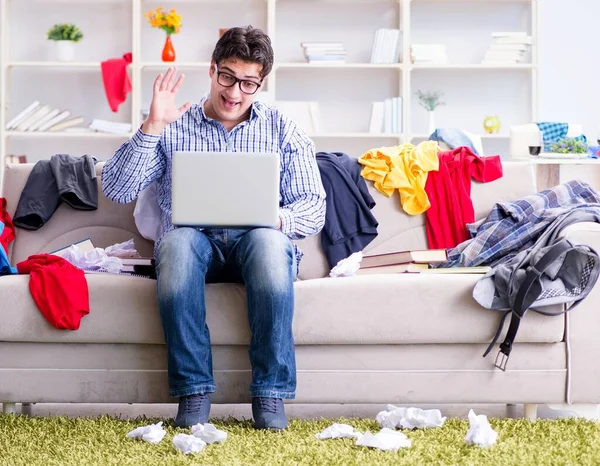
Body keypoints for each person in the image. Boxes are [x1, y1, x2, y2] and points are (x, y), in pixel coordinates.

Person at [101, 26, 326, 430]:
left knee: (272, 245)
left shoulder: (282, 129)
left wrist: (274, 218)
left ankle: (271, 395)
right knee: (176, 244)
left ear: (261, 83)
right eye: (227, 76)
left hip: (257, 245)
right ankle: (193, 393)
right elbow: (117, 188)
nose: (234, 92)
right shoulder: (172, 123)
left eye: (248, 83)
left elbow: (313, 207)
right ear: (212, 69)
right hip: (192, 243)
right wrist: (152, 125)